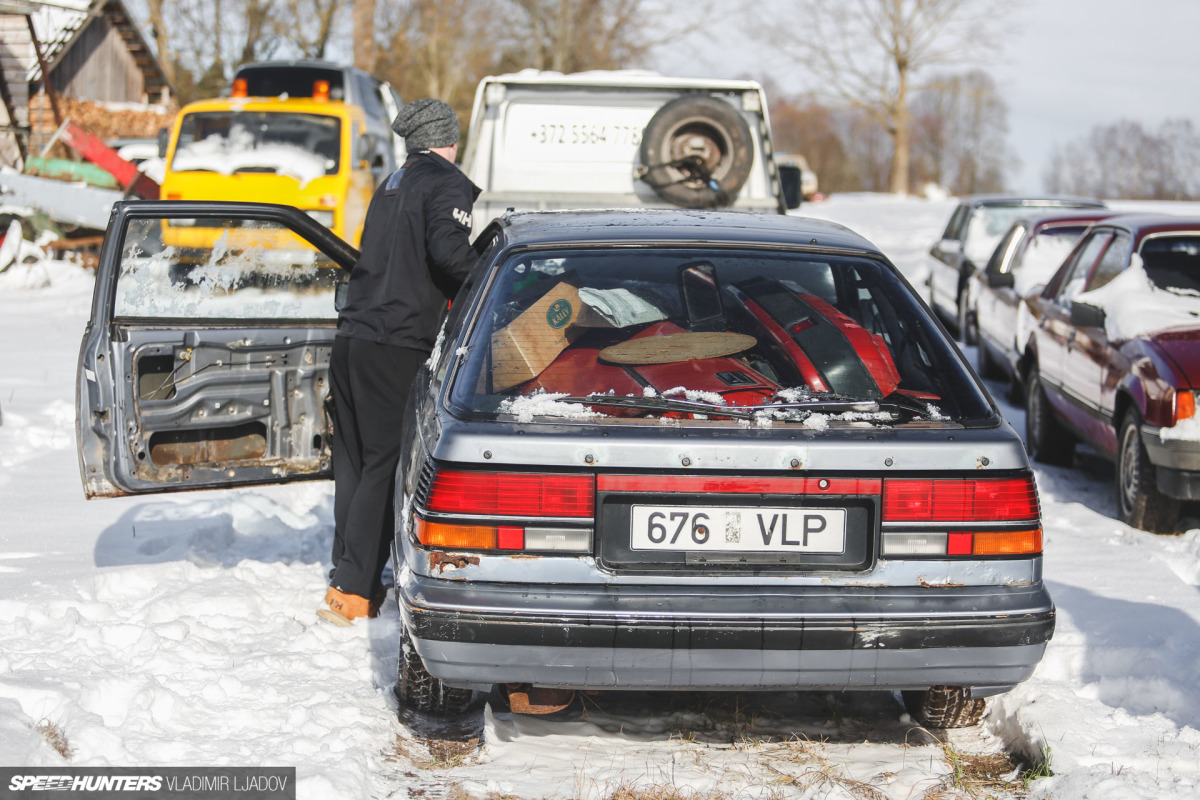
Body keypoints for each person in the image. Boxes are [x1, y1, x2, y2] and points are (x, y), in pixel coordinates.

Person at [318, 99, 480, 626]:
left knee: (355, 462)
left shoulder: (391, 184)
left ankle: (349, 574)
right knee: (384, 465)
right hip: (397, 341)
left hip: (353, 338)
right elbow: (449, 254)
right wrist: (493, 283)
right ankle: (353, 590)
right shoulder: (446, 182)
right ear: (447, 139)